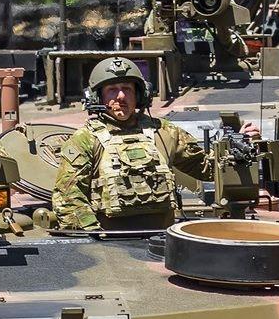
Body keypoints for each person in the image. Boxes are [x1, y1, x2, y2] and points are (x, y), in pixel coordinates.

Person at [51, 56, 258, 231]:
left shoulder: (164, 132)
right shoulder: (85, 139)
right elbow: (68, 198)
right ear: (97, 96)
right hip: (110, 243)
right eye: (112, 89)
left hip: (161, 239)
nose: (121, 96)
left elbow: (206, 168)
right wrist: (94, 237)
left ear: (140, 95)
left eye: (127, 89)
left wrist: (236, 145)